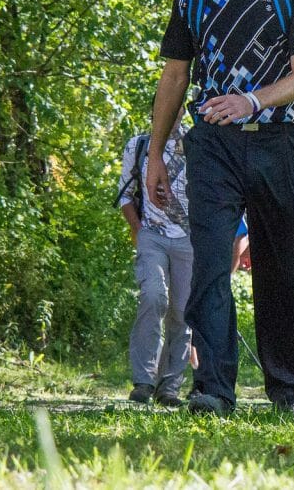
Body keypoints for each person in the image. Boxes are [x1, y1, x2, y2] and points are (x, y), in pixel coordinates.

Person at [147, 0, 294, 416]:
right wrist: (156, 154)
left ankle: (289, 392)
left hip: (283, 142)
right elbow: (175, 77)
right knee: (208, 267)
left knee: (284, 270)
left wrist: (252, 100)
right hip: (213, 148)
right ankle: (213, 391)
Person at [118, 106, 192, 407]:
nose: (168, 117)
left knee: (183, 311)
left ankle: (170, 386)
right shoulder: (139, 146)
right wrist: (138, 231)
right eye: (162, 111)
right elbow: (125, 193)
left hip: (189, 238)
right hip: (151, 235)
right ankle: (144, 381)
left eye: (174, 111)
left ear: (182, 113)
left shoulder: (196, 145)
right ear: (153, 114)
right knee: (152, 296)